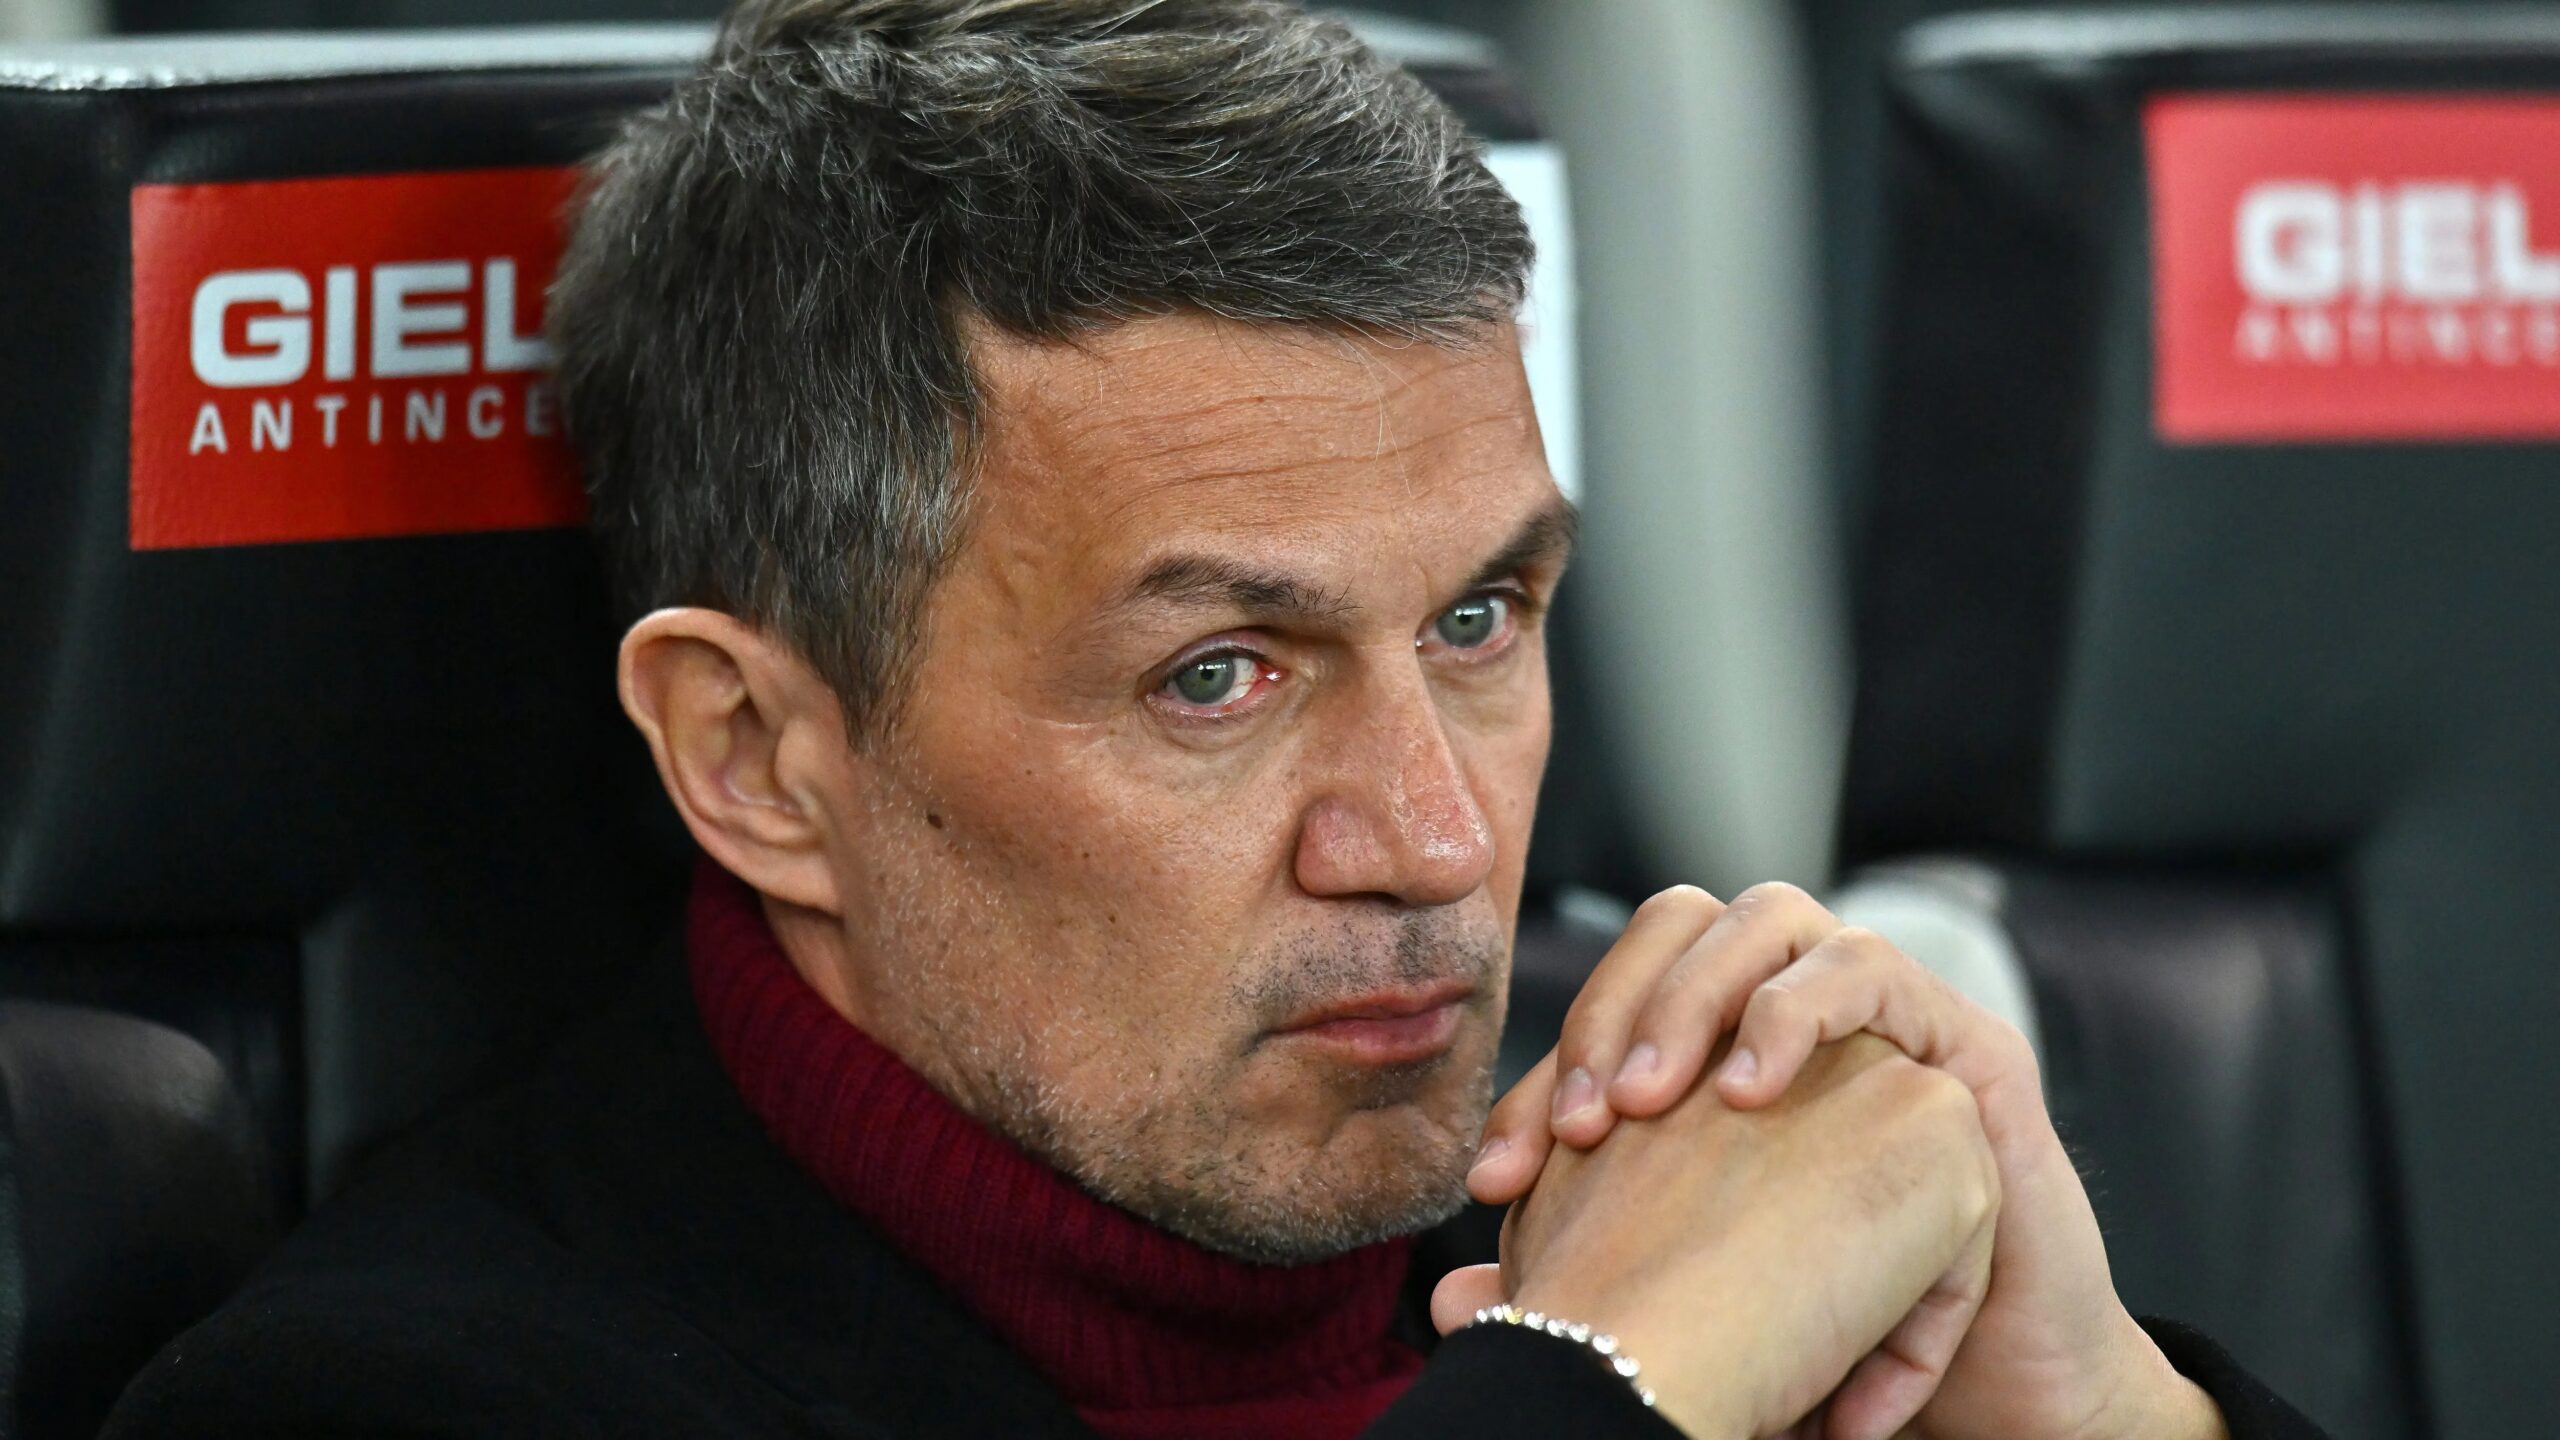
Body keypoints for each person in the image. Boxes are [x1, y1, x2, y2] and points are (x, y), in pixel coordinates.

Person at [107, 3, 2329, 1437]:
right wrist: (1604, 1390)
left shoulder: (1682, 1168)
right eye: (1218, 676)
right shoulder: (394, 1398)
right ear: (757, 758)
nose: (1432, 843)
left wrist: (2099, 1415)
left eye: (1479, 618)